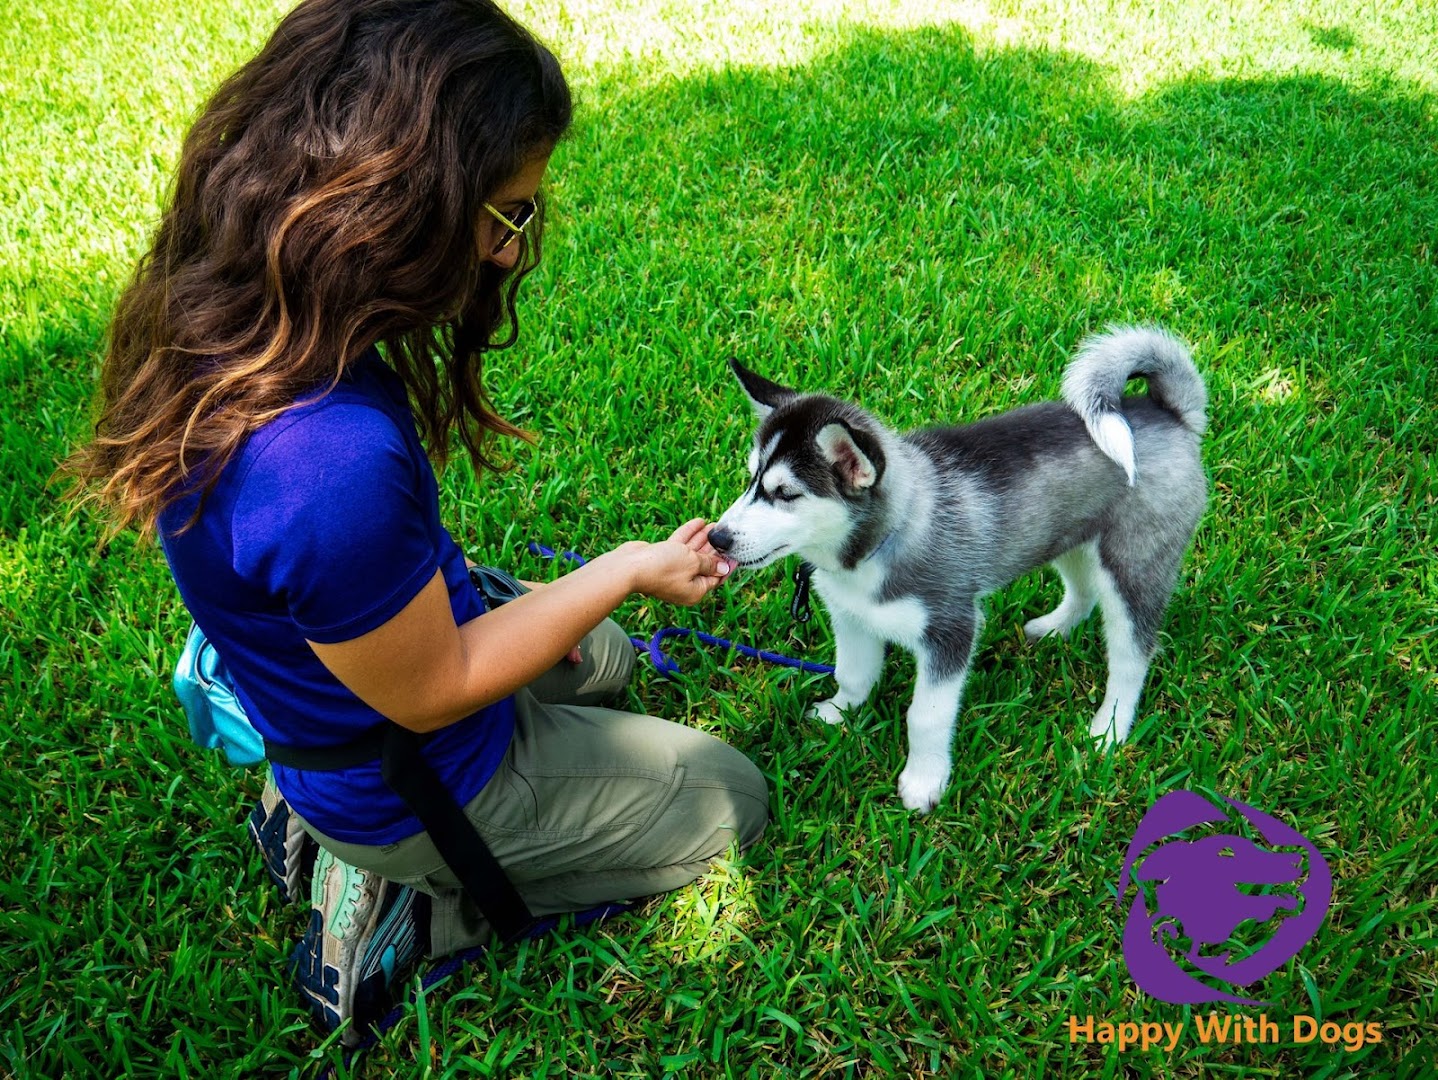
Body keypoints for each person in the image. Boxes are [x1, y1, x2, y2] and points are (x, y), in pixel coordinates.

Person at [62, 0, 769, 1045]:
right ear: (404, 216)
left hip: (359, 679)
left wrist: (594, 603)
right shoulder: (323, 463)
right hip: (401, 764)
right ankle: (400, 901)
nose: (515, 249)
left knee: (604, 662)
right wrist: (622, 566)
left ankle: (331, 815)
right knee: (727, 798)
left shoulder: (238, 303)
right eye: (512, 215)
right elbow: (435, 691)